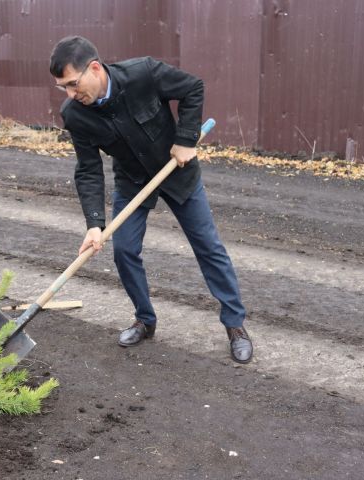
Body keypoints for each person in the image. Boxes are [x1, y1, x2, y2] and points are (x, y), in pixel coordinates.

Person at [49, 36, 252, 363]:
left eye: (73, 83)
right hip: (132, 180)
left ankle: (235, 325)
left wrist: (186, 139)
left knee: (208, 246)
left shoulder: (143, 73)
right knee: (124, 250)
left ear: (96, 69)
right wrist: (94, 224)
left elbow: (192, 88)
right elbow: (88, 169)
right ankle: (145, 319)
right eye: (63, 88)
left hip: (177, 169)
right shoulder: (75, 114)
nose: (71, 94)